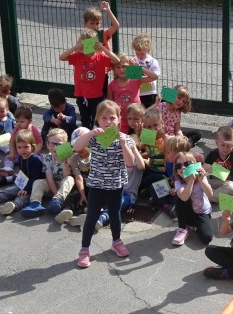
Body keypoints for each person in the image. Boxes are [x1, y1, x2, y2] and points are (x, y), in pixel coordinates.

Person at [73, 100, 136, 268]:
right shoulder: (94, 138)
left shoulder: (125, 138)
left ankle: (116, 241)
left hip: (116, 185)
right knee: (92, 216)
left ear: (119, 119)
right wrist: (90, 133)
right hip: (97, 185)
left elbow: (130, 163)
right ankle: (84, 249)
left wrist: (123, 144)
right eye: (103, 118)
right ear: (97, 119)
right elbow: (76, 146)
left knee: (115, 214)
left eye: (112, 117)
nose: (108, 121)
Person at [0, 130, 46, 216]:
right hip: (25, 183)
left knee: (23, 197)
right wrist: (19, 183)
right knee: (9, 191)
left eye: (26, 147)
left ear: (33, 146)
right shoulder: (21, 157)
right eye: (19, 147)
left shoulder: (35, 160)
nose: (22, 150)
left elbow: (35, 178)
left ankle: (13, 206)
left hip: (35, 186)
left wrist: (26, 189)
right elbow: (23, 173)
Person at [59, 27, 120, 130]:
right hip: (81, 95)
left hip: (97, 96)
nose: (88, 46)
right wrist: (75, 47)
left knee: (99, 119)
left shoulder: (100, 56)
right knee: (85, 119)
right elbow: (62, 57)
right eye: (85, 43)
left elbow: (116, 60)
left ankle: (101, 137)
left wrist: (103, 48)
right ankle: (87, 136)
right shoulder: (78, 56)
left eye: (91, 43)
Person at [20, 128, 85, 219]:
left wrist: (66, 166)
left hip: (64, 190)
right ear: (47, 144)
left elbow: (66, 177)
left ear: (65, 145)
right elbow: (49, 178)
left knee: (70, 179)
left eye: (59, 144)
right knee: (38, 182)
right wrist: (54, 194)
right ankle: (35, 204)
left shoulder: (69, 157)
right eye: (52, 144)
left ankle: (57, 200)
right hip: (52, 187)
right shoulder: (48, 158)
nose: (55, 147)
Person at [97, 133, 146, 230]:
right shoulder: (119, 160)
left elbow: (142, 166)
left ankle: (104, 216)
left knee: (122, 201)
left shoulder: (136, 163)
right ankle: (95, 210)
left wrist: (133, 148)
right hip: (114, 191)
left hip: (128, 195)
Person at [171, 151, 215, 246]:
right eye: (178, 166)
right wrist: (191, 179)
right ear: (176, 170)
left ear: (194, 164)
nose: (183, 167)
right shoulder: (178, 182)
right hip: (187, 213)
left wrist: (201, 180)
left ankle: (194, 227)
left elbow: (210, 194)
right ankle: (182, 228)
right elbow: (184, 197)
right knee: (180, 197)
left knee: (207, 238)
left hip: (201, 212)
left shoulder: (201, 178)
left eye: (187, 164)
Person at [107, 54, 158, 135]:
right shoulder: (112, 85)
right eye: (118, 67)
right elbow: (110, 103)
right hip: (122, 120)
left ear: (130, 67)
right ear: (114, 69)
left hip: (138, 118)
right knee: (124, 140)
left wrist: (139, 68)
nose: (121, 69)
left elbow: (154, 77)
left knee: (141, 139)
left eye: (124, 66)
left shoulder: (136, 79)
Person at [202, 126, 233, 203]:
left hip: (229, 182)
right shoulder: (213, 153)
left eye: (229, 145)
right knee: (200, 181)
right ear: (216, 143)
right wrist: (207, 167)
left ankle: (206, 197)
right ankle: (215, 196)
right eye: (222, 145)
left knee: (231, 188)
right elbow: (204, 165)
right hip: (214, 180)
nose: (225, 149)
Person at [132, 34, 161, 108]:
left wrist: (141, 70)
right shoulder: (133, 60)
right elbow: (133, 77)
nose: (139, 56)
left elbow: (156, 75)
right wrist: (148, 78)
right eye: (137, 53)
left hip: (149, 92)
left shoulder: (152, 61)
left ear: (148, 50)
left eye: (142, 54)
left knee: (149, 112)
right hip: (136, 92)